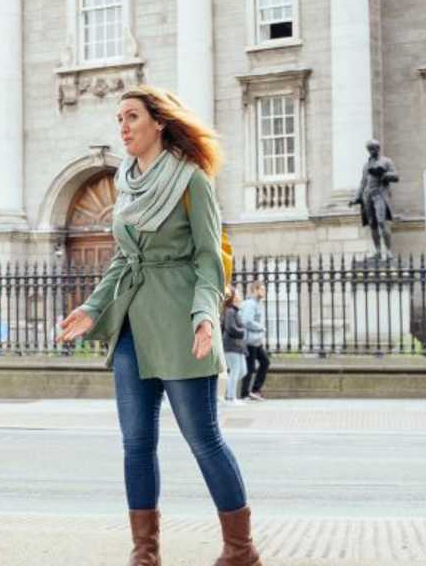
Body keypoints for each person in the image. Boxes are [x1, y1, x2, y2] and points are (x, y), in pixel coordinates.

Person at [57, 85, 264, 566]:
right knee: (136, 443)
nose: (123, 127)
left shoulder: (191, 180)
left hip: (180, 323)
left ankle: (240, 550)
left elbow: (210, 259)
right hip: (132, 325)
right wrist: (91, 308)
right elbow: (122, 261)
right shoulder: (126, 182)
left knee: (203, 439)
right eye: (119, 119)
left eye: (132, 117)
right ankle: (145, 553)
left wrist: (204, 317)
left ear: (159, 123)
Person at [239, 282, 270, 402]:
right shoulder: (250, 304)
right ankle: (245, 394)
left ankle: (254, 390)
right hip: (249, 341)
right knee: (250, 367)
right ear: (255, 290)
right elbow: (246, 321)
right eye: (262, 289)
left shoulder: (256, 304)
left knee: (265, 362)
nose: (264, 292)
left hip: (255, 341)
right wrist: (261, 327)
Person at [221, 288, 247, 405]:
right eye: (237, 294)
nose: (239, 296)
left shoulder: (235, 311)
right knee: (235, 371)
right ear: (233, 297)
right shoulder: (230, 311)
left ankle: (229, 395)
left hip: (238, 346)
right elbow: (230, 327)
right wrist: (242, 331)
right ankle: (231, 398)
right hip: (231, 345)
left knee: (242, 371)